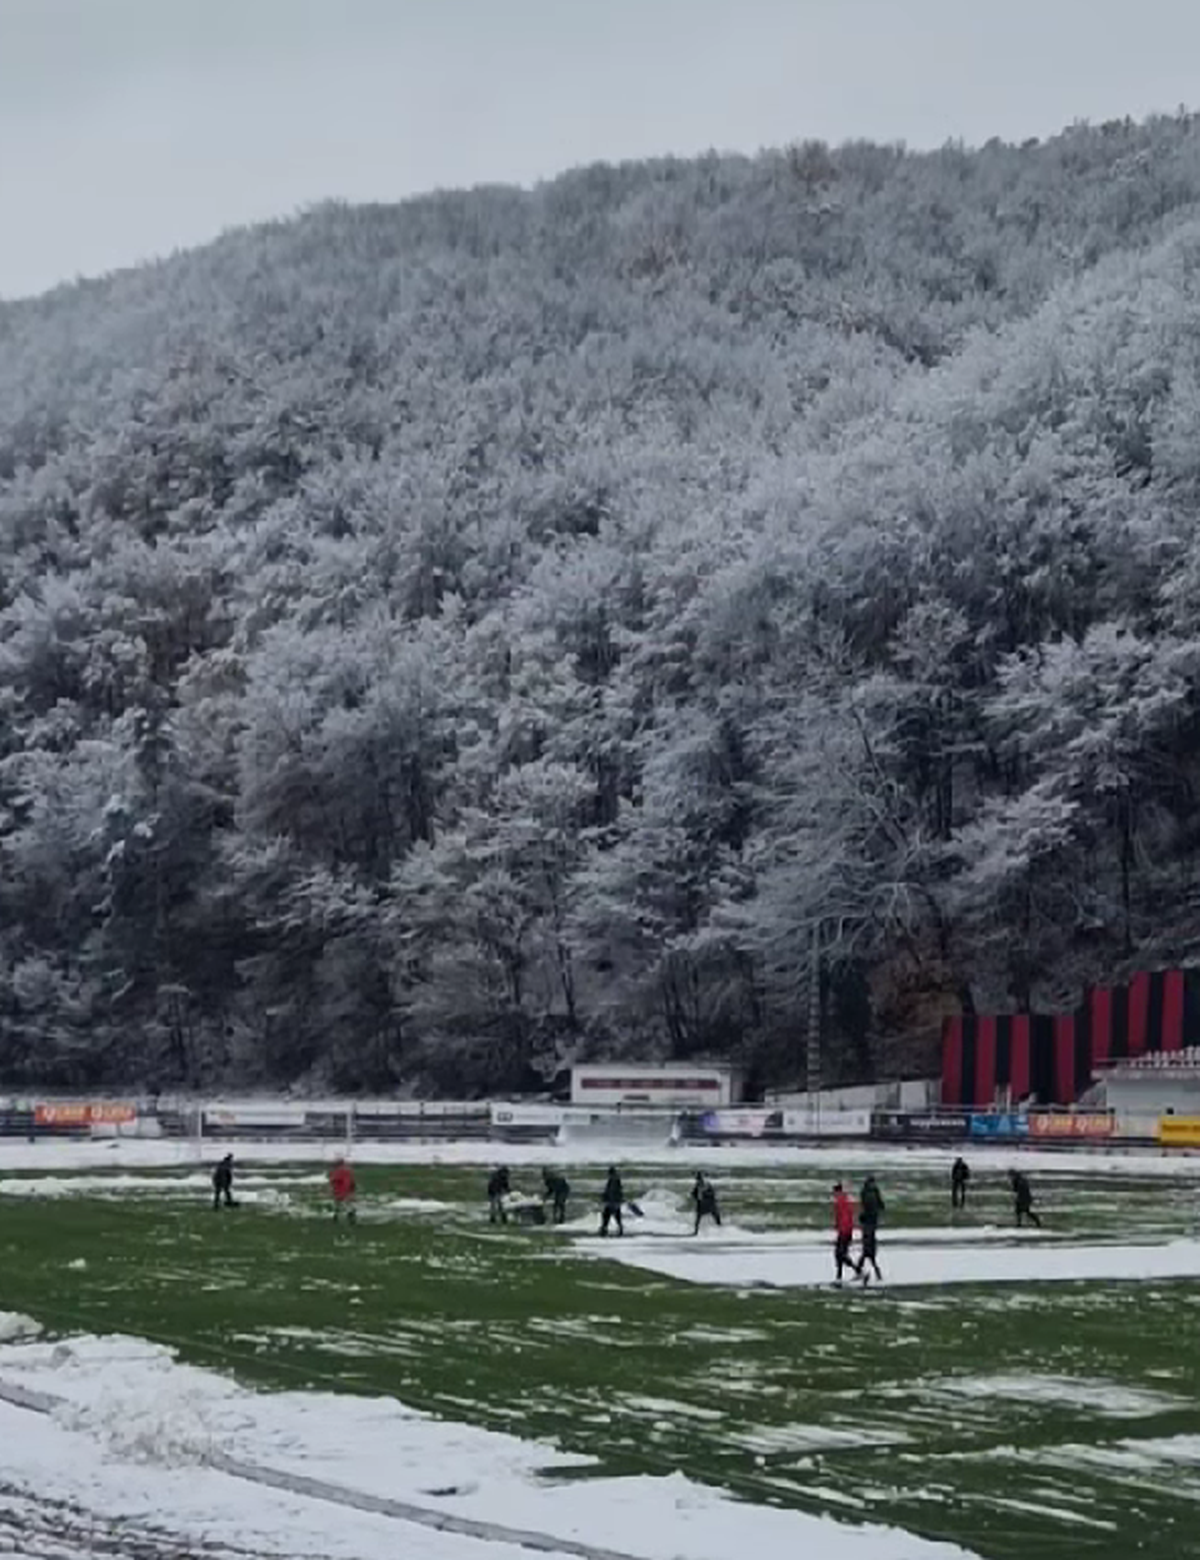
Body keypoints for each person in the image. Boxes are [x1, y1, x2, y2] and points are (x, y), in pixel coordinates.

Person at [854, 1173, 885, 1284]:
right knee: (869, 1250)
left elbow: (865, 1207)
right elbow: (882, 1206)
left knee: (866, 1249)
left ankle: (860, 1271)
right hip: (872, 1223)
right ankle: (876, 1273)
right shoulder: (875, 1192)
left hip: (867, 1223)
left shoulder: (864, 1192)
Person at [832, 1182, 855, 1284]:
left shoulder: (840, 1201)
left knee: (840, 1254)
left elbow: (842, 1217)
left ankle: (858, 1270)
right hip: (847, 1230)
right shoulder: (846, 1200)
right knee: (840, 1254)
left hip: (844, 1230)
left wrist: (840, 1228)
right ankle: (839, 1276)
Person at [330, 1157, 357, 1224]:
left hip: (341, 1191)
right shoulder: (347, 1171)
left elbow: (337, 1181)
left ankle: (340, 1215)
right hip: (343, 1191)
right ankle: (347, 1214)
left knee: (341, 1203)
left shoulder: (340, 1172)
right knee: (343, 1203)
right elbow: (351, 1182)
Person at [600, 1165, 625, 1236]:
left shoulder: (613, 1180)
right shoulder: (615, 1180)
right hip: (615, 1202)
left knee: (607, 1215)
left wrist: (606, 1198)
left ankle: (604, 1228)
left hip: (612, 1202)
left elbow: (611, 1191)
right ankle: (619, 1228)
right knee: (616, 1216)